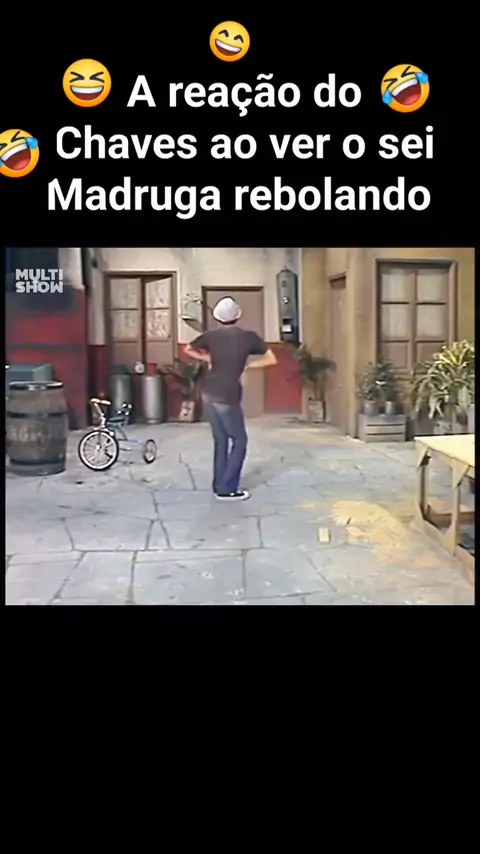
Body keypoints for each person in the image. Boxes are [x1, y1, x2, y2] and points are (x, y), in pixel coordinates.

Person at [184, 296, 277, 500]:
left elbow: (188, 349)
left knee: (220, 439)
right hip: (228, 394)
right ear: (238, 315)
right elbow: (271, 359)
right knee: (239, 440)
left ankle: (219, 485)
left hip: (208, 391)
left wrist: (207, 357)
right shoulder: (249, 337)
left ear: (218, 317)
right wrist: (248, 365)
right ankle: (228, 489)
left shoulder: (210, 336)